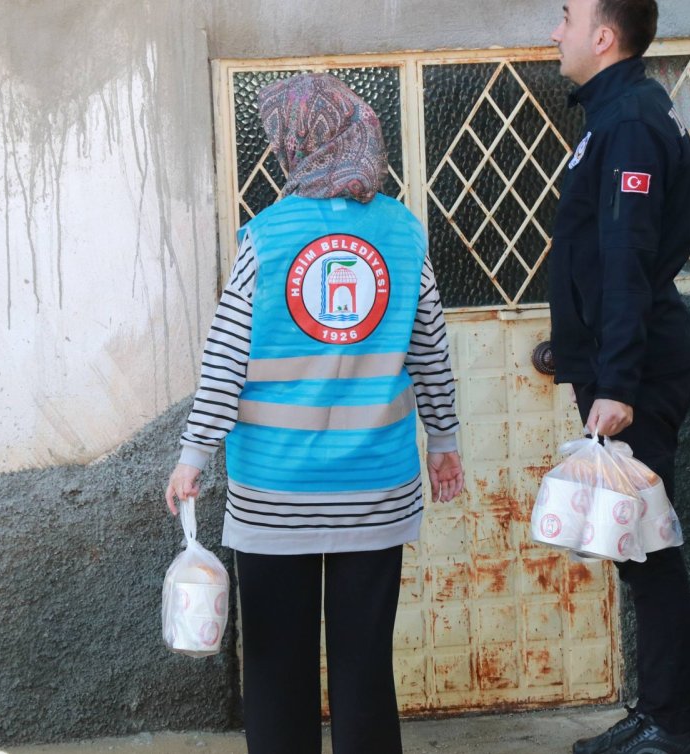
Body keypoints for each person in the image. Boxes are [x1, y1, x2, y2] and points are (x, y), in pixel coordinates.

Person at [163, 73, 464, 754]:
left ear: (294, 145)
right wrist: (443, 442)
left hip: (275, 493)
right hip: (376, 490)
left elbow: (225, 360)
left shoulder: (266, 238)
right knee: (364, 671)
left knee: (275, 671)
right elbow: (432, 354)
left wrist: (192, 458)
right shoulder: (404, 233)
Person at [547, 2, 690, 753]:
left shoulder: (632, 124)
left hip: (637, 374)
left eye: (568, 16)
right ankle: (661, 714)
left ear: (603, 36)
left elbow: (627, 258)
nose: (558, 31)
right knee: (635, 546)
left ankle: (675, 728)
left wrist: (613, 381)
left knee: (649, 549)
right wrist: (574, 352)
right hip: (619, 366)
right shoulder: (615, 117)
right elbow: (598, 257)